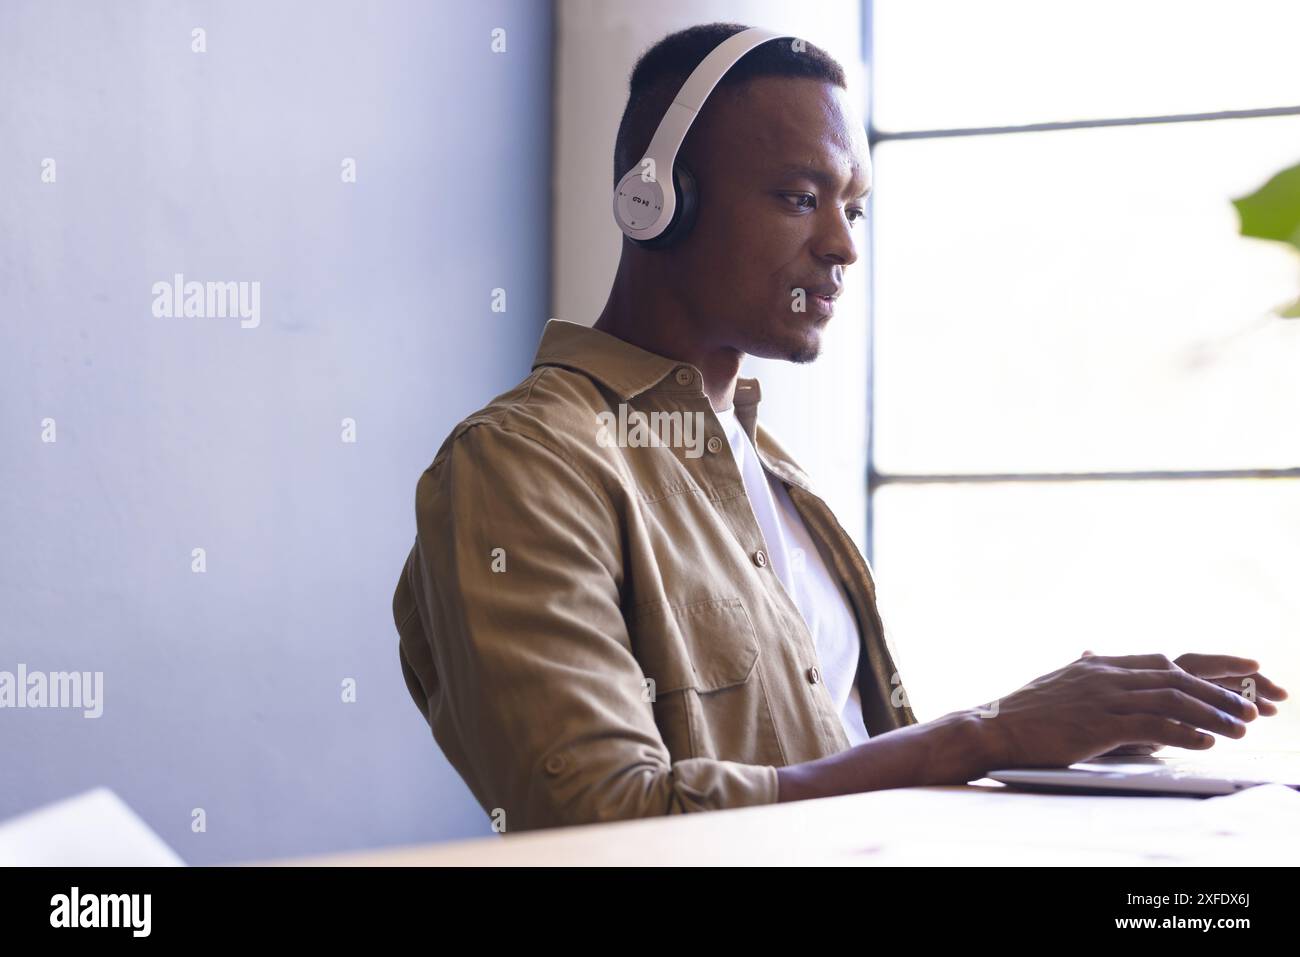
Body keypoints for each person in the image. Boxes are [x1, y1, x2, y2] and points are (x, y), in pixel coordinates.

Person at [391, 22, 1287, 832]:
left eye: (852, 206)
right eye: (798, 196)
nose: (844, 244)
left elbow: (840, 760)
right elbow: (595, 812)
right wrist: (985, 735)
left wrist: (1067, 730)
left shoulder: (774, 473)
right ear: (657, 203)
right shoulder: (521, 463)